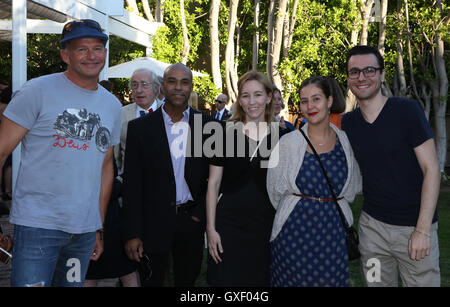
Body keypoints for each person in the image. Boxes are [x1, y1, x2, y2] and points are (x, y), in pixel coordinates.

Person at [0, 19, 122, 287]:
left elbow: (105, 168)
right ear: (65, 55)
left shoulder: (112, 105)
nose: (92, 56)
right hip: (37, 227)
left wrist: (98, 227)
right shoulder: (37, 91)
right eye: (81, 49)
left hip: (83, 234)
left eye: (98, 48)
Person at [341, 45, 440, 287]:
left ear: (382, 75)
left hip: (413, 230)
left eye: (369, 70)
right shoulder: (349, 123)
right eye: (355, 72)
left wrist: (423, 230)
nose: (362, 77)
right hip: (372, 232)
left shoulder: (407, 112)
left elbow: (432, 170)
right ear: (348, 78)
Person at [121, 63, 211, 287]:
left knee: (186, 282)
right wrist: (132, 233)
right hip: (152, 223)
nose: (178, 87)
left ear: (191, 87)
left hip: (191, 221)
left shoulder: (209, 126)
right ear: (163, 87)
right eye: (172, 81)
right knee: (151, 281)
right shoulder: (140, 128)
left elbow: (215, 178)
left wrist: (199, 215)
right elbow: (132, 184)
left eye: (185, 82)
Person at [267, 76, 361, 287]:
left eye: (316, 99)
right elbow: (273, 190)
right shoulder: (287, 143)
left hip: (333, 234)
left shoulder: (345, 142)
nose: (309, 106)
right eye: (304, 101)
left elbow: (351, 189)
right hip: (293, 234)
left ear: (329, 101)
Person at [206, 71, 288, 286]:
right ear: (239, 99)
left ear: (269, 97)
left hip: (266, 228)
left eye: (258, 95)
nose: (252, 102)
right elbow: (213, 184)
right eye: (245, 95)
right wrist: (211, 229)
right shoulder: (222, 132)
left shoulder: (283, 137)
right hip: (228, 226)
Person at [84, 81, 138, 287]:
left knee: (123, 268)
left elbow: (111, 169)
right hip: (93, 211)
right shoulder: (89, 137)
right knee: (91, 269)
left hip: (110, 213)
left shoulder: (104, 133)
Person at [114, 68, 163, 175]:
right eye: (134, 85)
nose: (139, 90)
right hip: (129, 181)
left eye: (144, 84)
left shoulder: (168, 112)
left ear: (156, 88)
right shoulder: (121, 114)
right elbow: (115, 155)